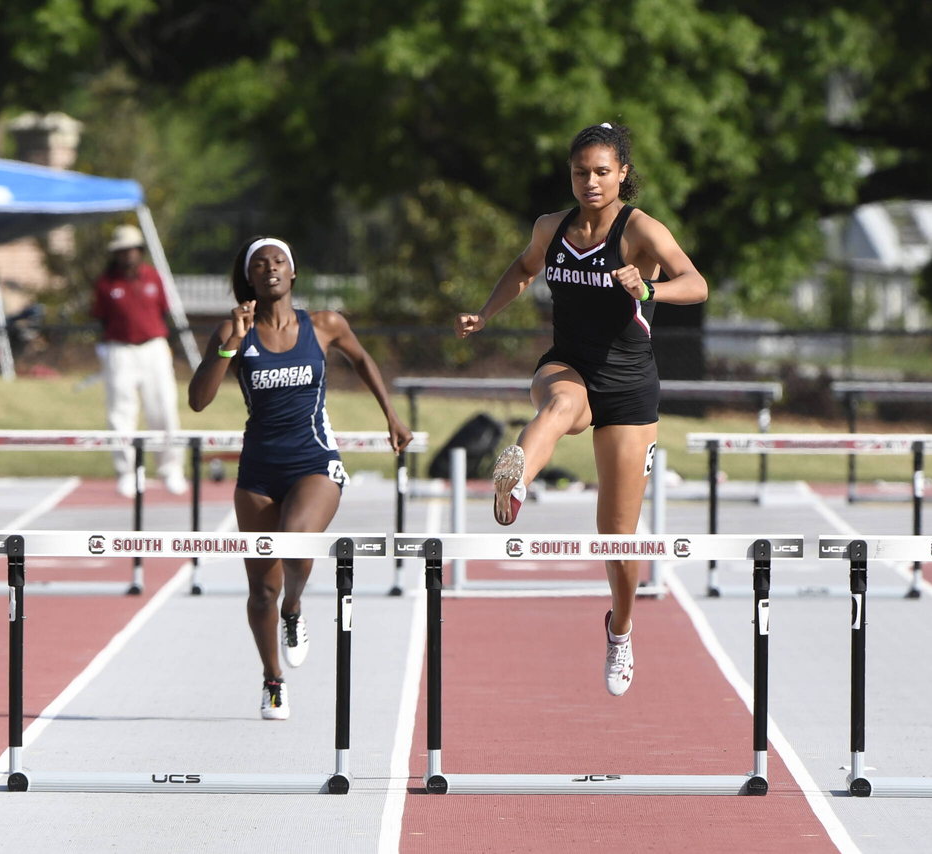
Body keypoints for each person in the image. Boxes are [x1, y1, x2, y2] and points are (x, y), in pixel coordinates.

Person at [455, 122, 707, 697]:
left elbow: (697, 284)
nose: (589, 182)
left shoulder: (639, 229)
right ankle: (515, 478)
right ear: (569, 175)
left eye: (600, 172)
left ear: (622, 174)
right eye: (579, 172)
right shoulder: (552, 228)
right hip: (567, 362)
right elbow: (523, 270)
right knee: (561, 404)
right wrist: (485, 314)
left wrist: (648, 290)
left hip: (628, 383)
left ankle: (621, 628)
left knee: (617, 534)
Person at [188, 236, 413, 720]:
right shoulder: (234, 329)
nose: (270, 269)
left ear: (293, 273)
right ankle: (273, 678)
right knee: (260, 589)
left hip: (314, 461)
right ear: (250, 278)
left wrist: (390, 416)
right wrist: (230, 346)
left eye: (279, 262)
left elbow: (363, 359)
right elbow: (198, 400)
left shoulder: (324, 324)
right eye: (261, 264)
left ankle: (295, 608)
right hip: (258, 472)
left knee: (295, 543)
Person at [92, 224, 188, 498]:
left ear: (140, 252)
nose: (127, 256)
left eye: (132, 250)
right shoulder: (106, 283)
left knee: (164, 408)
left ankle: (171, 469)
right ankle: (128, 472)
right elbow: (100, 317)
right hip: (120, 350)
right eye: (122, 251)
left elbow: (164, 311)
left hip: (153, 348)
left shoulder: (153, 277)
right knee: (121, 412)